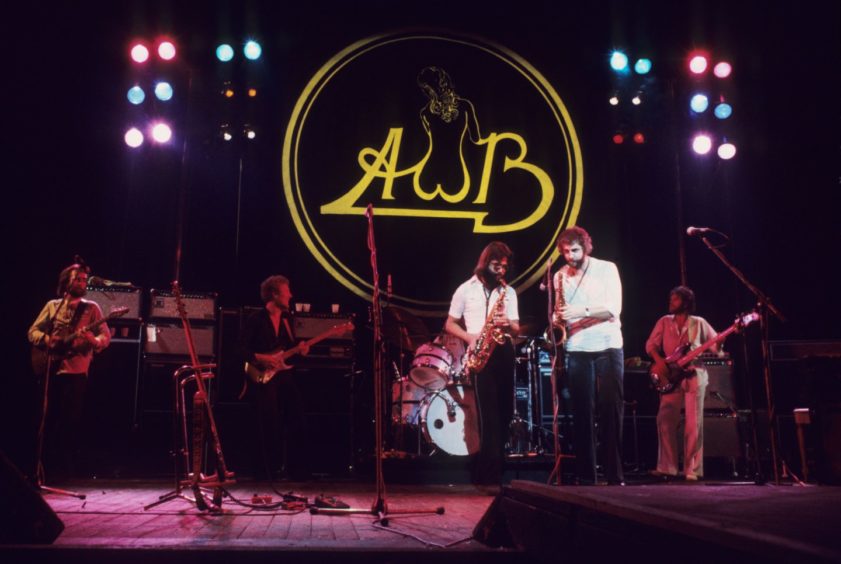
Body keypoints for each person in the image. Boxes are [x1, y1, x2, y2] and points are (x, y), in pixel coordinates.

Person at [553, 226, 624, 485]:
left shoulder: (607, 269)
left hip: (607, 345)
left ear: (586, 247)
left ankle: (615, 475)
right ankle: (587, 476)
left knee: (610, 410)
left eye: (575, 250)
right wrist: (557, 317)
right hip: (576, 348)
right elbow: (560, 313)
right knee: (582, 413)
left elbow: (613, 308)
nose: (570, 256)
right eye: (565, 252)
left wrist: (577, 312)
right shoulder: (559, 276)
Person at [445, 241, 519, 489]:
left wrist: (508, 323)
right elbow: (450, 323)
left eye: (504, 267)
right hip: (480, 352)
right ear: (485, 262)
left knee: (505, 411)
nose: (500, 271)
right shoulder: (465, 289)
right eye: (496, 265)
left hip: (504, 351)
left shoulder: (508, 292)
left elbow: (517, 328)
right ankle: (488, 473)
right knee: (488, 416)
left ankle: (497, 466)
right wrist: (471, 337)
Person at [28, 262, 111, 482]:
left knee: (69, 420)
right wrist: (48, 340)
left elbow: (105, 337)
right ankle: (41, 468)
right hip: (50, 370)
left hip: (76, 372)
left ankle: (63, 469)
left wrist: (92, 339)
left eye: (84, 280)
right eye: (78, 279)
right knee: (47, 418)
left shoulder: (92, 308)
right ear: (67, 282)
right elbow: (33, 331)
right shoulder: (53, 306)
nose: (82, 283)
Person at [239, 275, 309, 481]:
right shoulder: (256, 319)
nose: (291, 296)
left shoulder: (287, 320)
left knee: (297, 416)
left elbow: (287, 349)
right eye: (287, 292)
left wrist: (300, 349)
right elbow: (240, 349)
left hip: (282, 375)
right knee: (268, 422)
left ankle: (296, 470)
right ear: (274, 294)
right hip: (261, 375)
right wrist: (262, 357)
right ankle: (264, 471)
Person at [646, 286, 719, 481]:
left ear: (685, 303)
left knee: (694, 424)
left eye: (675, 299)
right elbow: (650, 345)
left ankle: (692, 470)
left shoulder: (699, 323)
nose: (671, 302)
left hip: (694, 374)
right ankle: (667, 467)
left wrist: (722, 341)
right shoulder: (664, 321)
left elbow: (716, 346)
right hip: (671, 375)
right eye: (671, 298)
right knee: (665, 419)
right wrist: (660, 362)